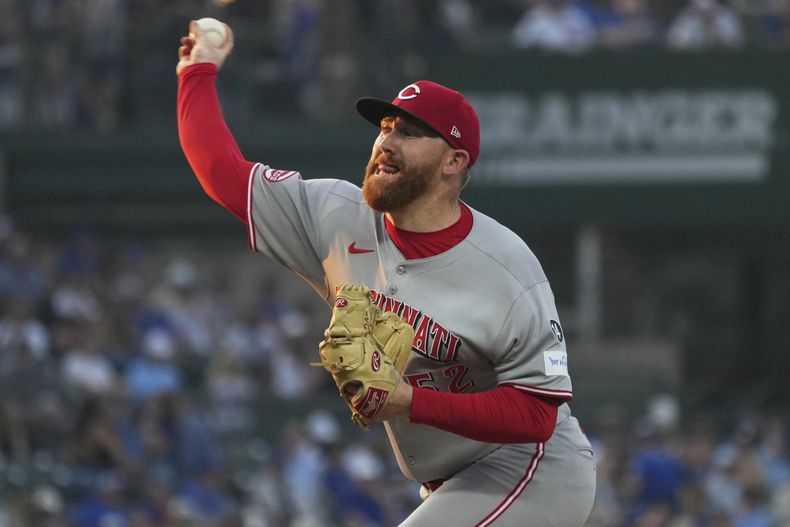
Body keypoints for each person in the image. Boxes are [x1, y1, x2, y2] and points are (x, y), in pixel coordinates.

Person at [176, 19, 596, 526]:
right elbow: (222, 173)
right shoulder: (333, 214)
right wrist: (197, 71)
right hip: (450, 482)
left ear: (453, 161)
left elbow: (537, 415)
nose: (387, 142)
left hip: (533, 469)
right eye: (386, 128)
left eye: (411, 132)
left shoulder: (508, 268)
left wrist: (408, 400)